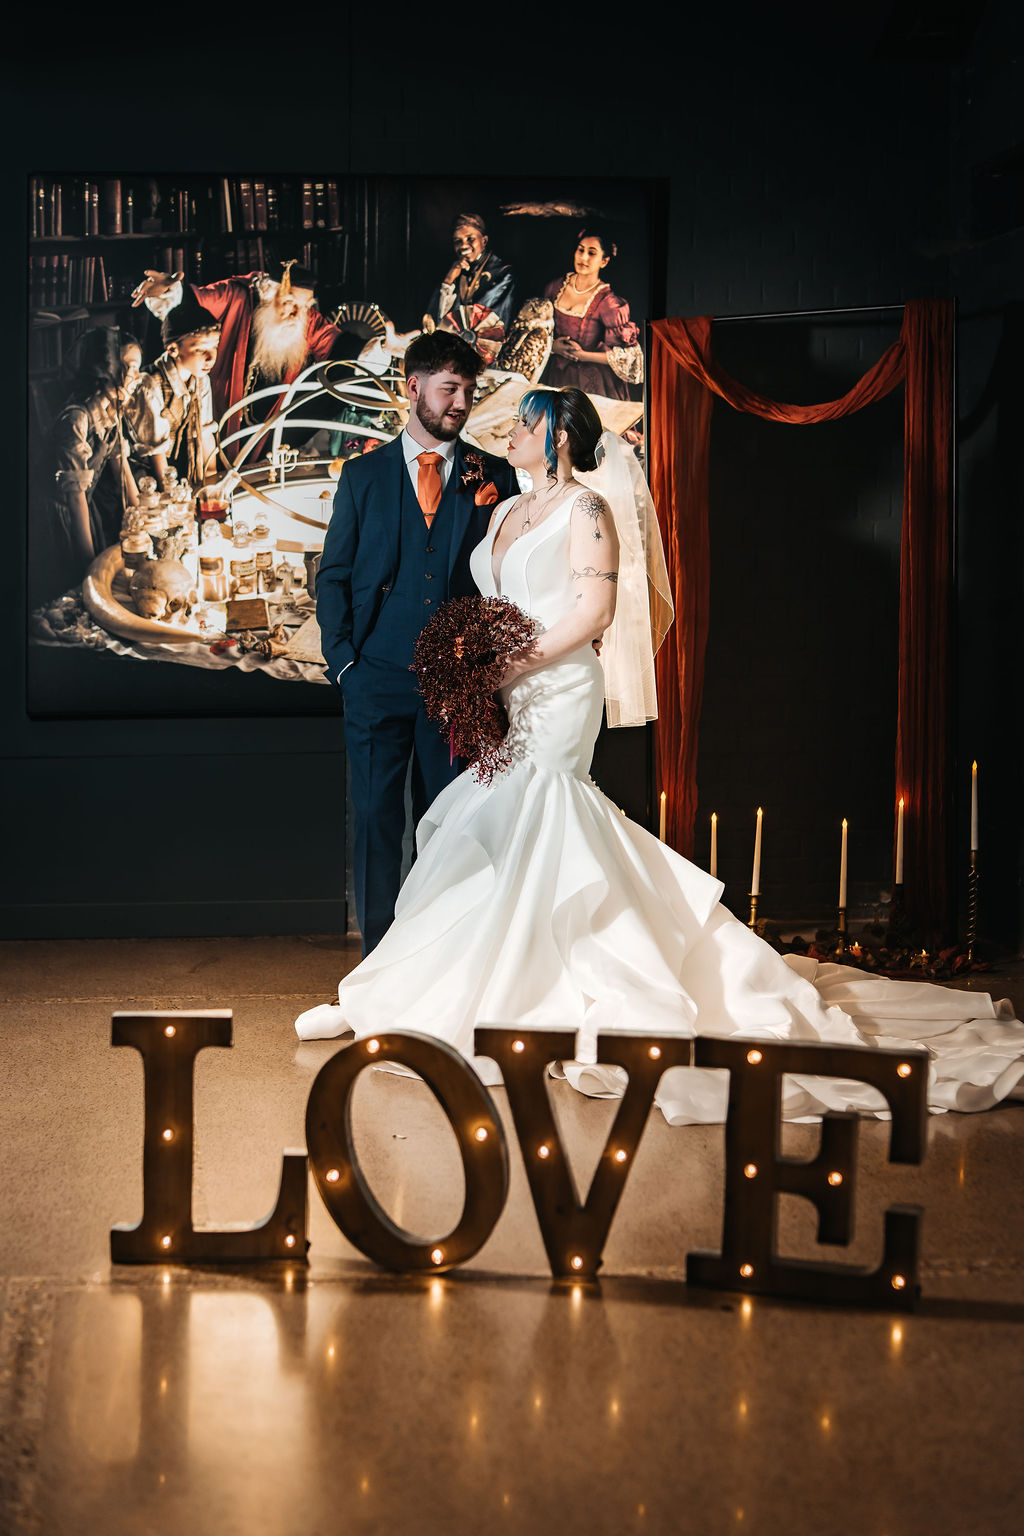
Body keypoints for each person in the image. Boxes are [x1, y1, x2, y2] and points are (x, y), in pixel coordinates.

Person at [296, 385, 1024, 1127]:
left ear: (561, 438)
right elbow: (493, 598)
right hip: (508, 691)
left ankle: (490, 997)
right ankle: (396, 993)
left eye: (526, 423)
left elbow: (594, 612)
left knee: (538, 815)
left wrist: (505, 667)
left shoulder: (587, 510)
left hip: (558, 689)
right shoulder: (506, 510)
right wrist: (473, 657)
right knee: (494, 828)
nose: (510, 430)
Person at [316, 330, 518, 956]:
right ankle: (379, 959)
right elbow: (335, 573)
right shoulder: (364, 476)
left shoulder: (496, 474)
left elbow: (508, 576)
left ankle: (439, 956)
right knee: (377, 823)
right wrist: (345, 663)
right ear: (414, 388)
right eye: (449, 388)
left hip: (456, 686)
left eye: (469, 390)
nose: (461, 401)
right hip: (374, 676)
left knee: (450, 825)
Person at [132, 258, 348, 441]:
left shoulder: (304, 319)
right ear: (270, 295)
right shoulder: (236, 296)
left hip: (267, 431)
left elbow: (339, 345)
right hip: (217, 414)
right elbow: (194, 303)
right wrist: (169, 291)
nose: (297, 314)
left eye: (305, 305)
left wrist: (380, 348)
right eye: (289, 302)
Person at [38, 327, 142, 600]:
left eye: (138, 369)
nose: (136, 377)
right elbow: (74, 499)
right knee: (79, 590)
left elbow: (123, 471)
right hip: (60, 521)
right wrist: (89, 569)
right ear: (105, 367)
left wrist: (143, 527)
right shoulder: (76, 419)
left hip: (85, 509)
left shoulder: (112, 411)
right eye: (129, 367)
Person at [126, 288, 221, 490]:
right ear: (173, 349)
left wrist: (211, 485)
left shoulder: (201, 380)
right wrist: (170, 496)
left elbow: (205, 434)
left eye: (214, 347)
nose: (211, 358)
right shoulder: (149, 385)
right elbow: (155, 452)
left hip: (182, 475)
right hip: (148, 482)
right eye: (200, 350)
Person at [541, 228, 644, 400]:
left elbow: (628, 357)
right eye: (580, 250)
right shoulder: (555, 288)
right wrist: (552, 346)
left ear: (604, 261)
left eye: (591, 253)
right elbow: (536, 332)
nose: (583, 258)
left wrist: (581, 355)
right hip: (557, 376)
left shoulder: (609, 303)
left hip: (593, 383)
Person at [424, 213, 516, 364]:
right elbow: (439, 319)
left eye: (470, 239)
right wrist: (448, 281)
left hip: (488, 354)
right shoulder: (454, 270)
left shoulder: (503, 274)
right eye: (457, 241)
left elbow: (491, 319)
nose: (463, 246)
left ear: (484, 241)